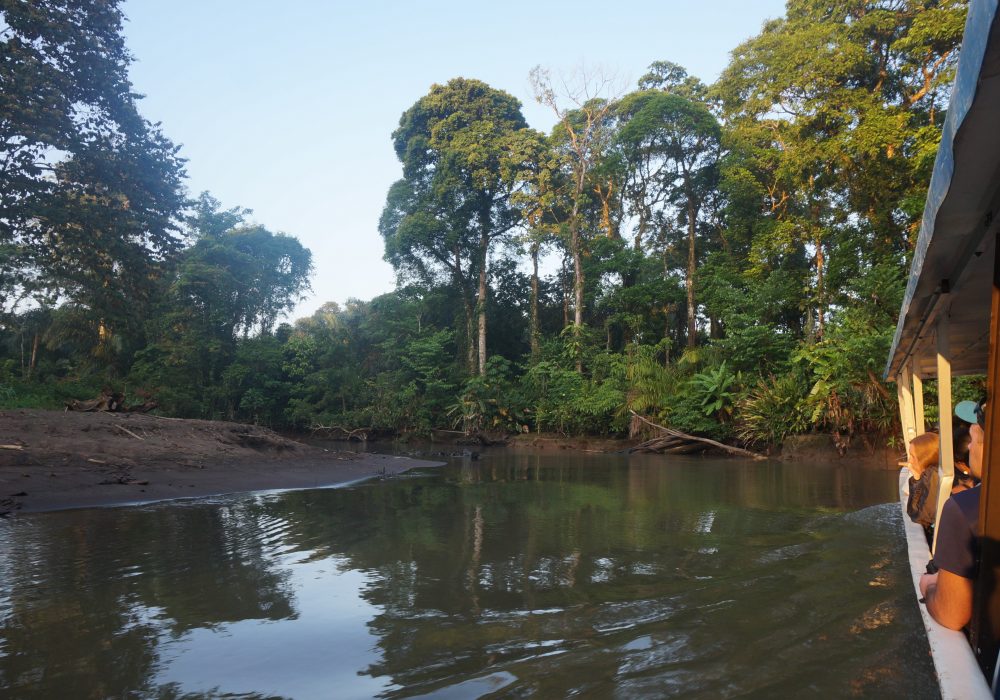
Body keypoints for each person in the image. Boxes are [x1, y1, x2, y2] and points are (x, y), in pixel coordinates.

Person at [919, 400, 985, 630]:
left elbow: (951, 614)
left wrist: (927, 586)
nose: (970, 448)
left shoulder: (963, 508)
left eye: (975, 440)